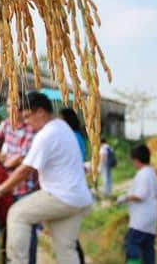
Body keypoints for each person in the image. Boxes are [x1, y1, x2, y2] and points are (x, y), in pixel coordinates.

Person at [0, 92, 93, 264]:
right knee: (66, 249)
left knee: (17, 214)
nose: (25, 121)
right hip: (79, 198)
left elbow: (25, 169)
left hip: (60, 196)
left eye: (27, 116)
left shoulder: (46, 134)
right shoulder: (62, 127)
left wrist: (0, 190)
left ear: (40, 112)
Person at [0, 98, 39, 264]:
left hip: (25, 187)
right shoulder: (6, 125)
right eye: (8, 105)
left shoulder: (31, 130)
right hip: (7, 186)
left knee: (27, 231)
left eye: (14, 105)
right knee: (9, 230)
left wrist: (6, 162)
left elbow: (24, 158)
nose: (10, 109)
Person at [117, 144, 157, 264]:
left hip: (141, 219)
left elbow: (140, 195)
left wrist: (125, 198)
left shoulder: (142, 174)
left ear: (136, 160)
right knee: (148, 247)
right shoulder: (152, 173)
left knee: (132, 244)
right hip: (151, 217)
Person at [60, 107, 89, 264]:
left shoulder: (73, 137)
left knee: (68, 234)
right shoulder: (76, 136)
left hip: (71, 188)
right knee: (68, 234)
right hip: (73, 186)